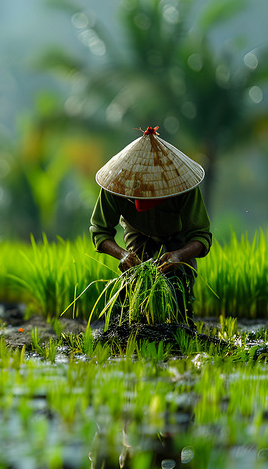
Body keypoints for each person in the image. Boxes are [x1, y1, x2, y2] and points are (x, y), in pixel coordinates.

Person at [89, 126, 212, 322]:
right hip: (137, 232)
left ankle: (182, 323)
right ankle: (136, 325)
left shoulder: (183, 186)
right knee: (136, 282)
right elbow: (99, 232)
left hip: (176, 234)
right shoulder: (116, 185)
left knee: (179, 283)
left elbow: (201, 236)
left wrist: (179, 255)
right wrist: (122, 255)